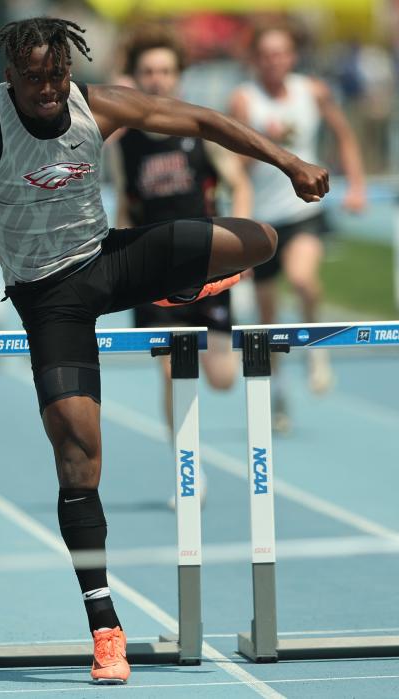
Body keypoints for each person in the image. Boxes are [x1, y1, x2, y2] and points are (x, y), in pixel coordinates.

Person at [0, 17, 327, 684]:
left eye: (57, 76)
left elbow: (196, 118)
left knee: (259, 240)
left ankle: (177, 283)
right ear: (9, 76)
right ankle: (105, 625)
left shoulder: (94, 105)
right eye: (35, 78)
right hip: (50, 298)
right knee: (79, 453)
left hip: (108, 261)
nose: (48, 89)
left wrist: (287, 161)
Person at [108, 25, 253, 507]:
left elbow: (237, 182)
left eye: (165, 71)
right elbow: (125, 206)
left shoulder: (200, 127)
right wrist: (116, 260)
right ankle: (188, 470)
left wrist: (245, 239)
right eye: (148, 71)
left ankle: (251, 352)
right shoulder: (124, 142)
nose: (157, 79)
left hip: (207, 266)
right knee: (172, 373)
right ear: (136, 76)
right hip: (152, 269)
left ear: (178, 76)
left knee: (223, 378)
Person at [229, 24, 366, 432]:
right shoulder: (244, 99)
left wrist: (356, 185)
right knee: (266, 318)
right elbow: (233, 161)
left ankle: (317, 353)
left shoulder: (313, 91)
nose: (274, 61)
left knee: (305, 279)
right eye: (266, 54)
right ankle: (280, 394)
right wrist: (261, 148)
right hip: (262, 218)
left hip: (304, 210)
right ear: (255, 59)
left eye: (281, 52)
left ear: (292, 56)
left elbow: (344, 133)